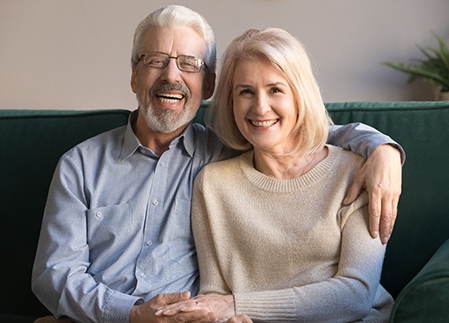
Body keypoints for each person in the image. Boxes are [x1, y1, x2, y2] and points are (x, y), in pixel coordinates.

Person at [32, 5, 402, 323]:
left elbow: (299, 134)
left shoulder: (226, 150)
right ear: (133, 74)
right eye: (155, 61)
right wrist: (130, 313)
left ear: (208, 85)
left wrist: (383, 149)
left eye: (188, 64)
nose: (171, 76)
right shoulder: (81, 164)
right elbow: (54, 274)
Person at [157, 27, 394, 322]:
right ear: (231, 102)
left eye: (275, 90)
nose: (260, 107)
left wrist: (235, 306)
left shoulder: (356, 171)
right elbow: (215, 293)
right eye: (246, 91)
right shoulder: (212, 184)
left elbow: (356, 294)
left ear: (300, 96)